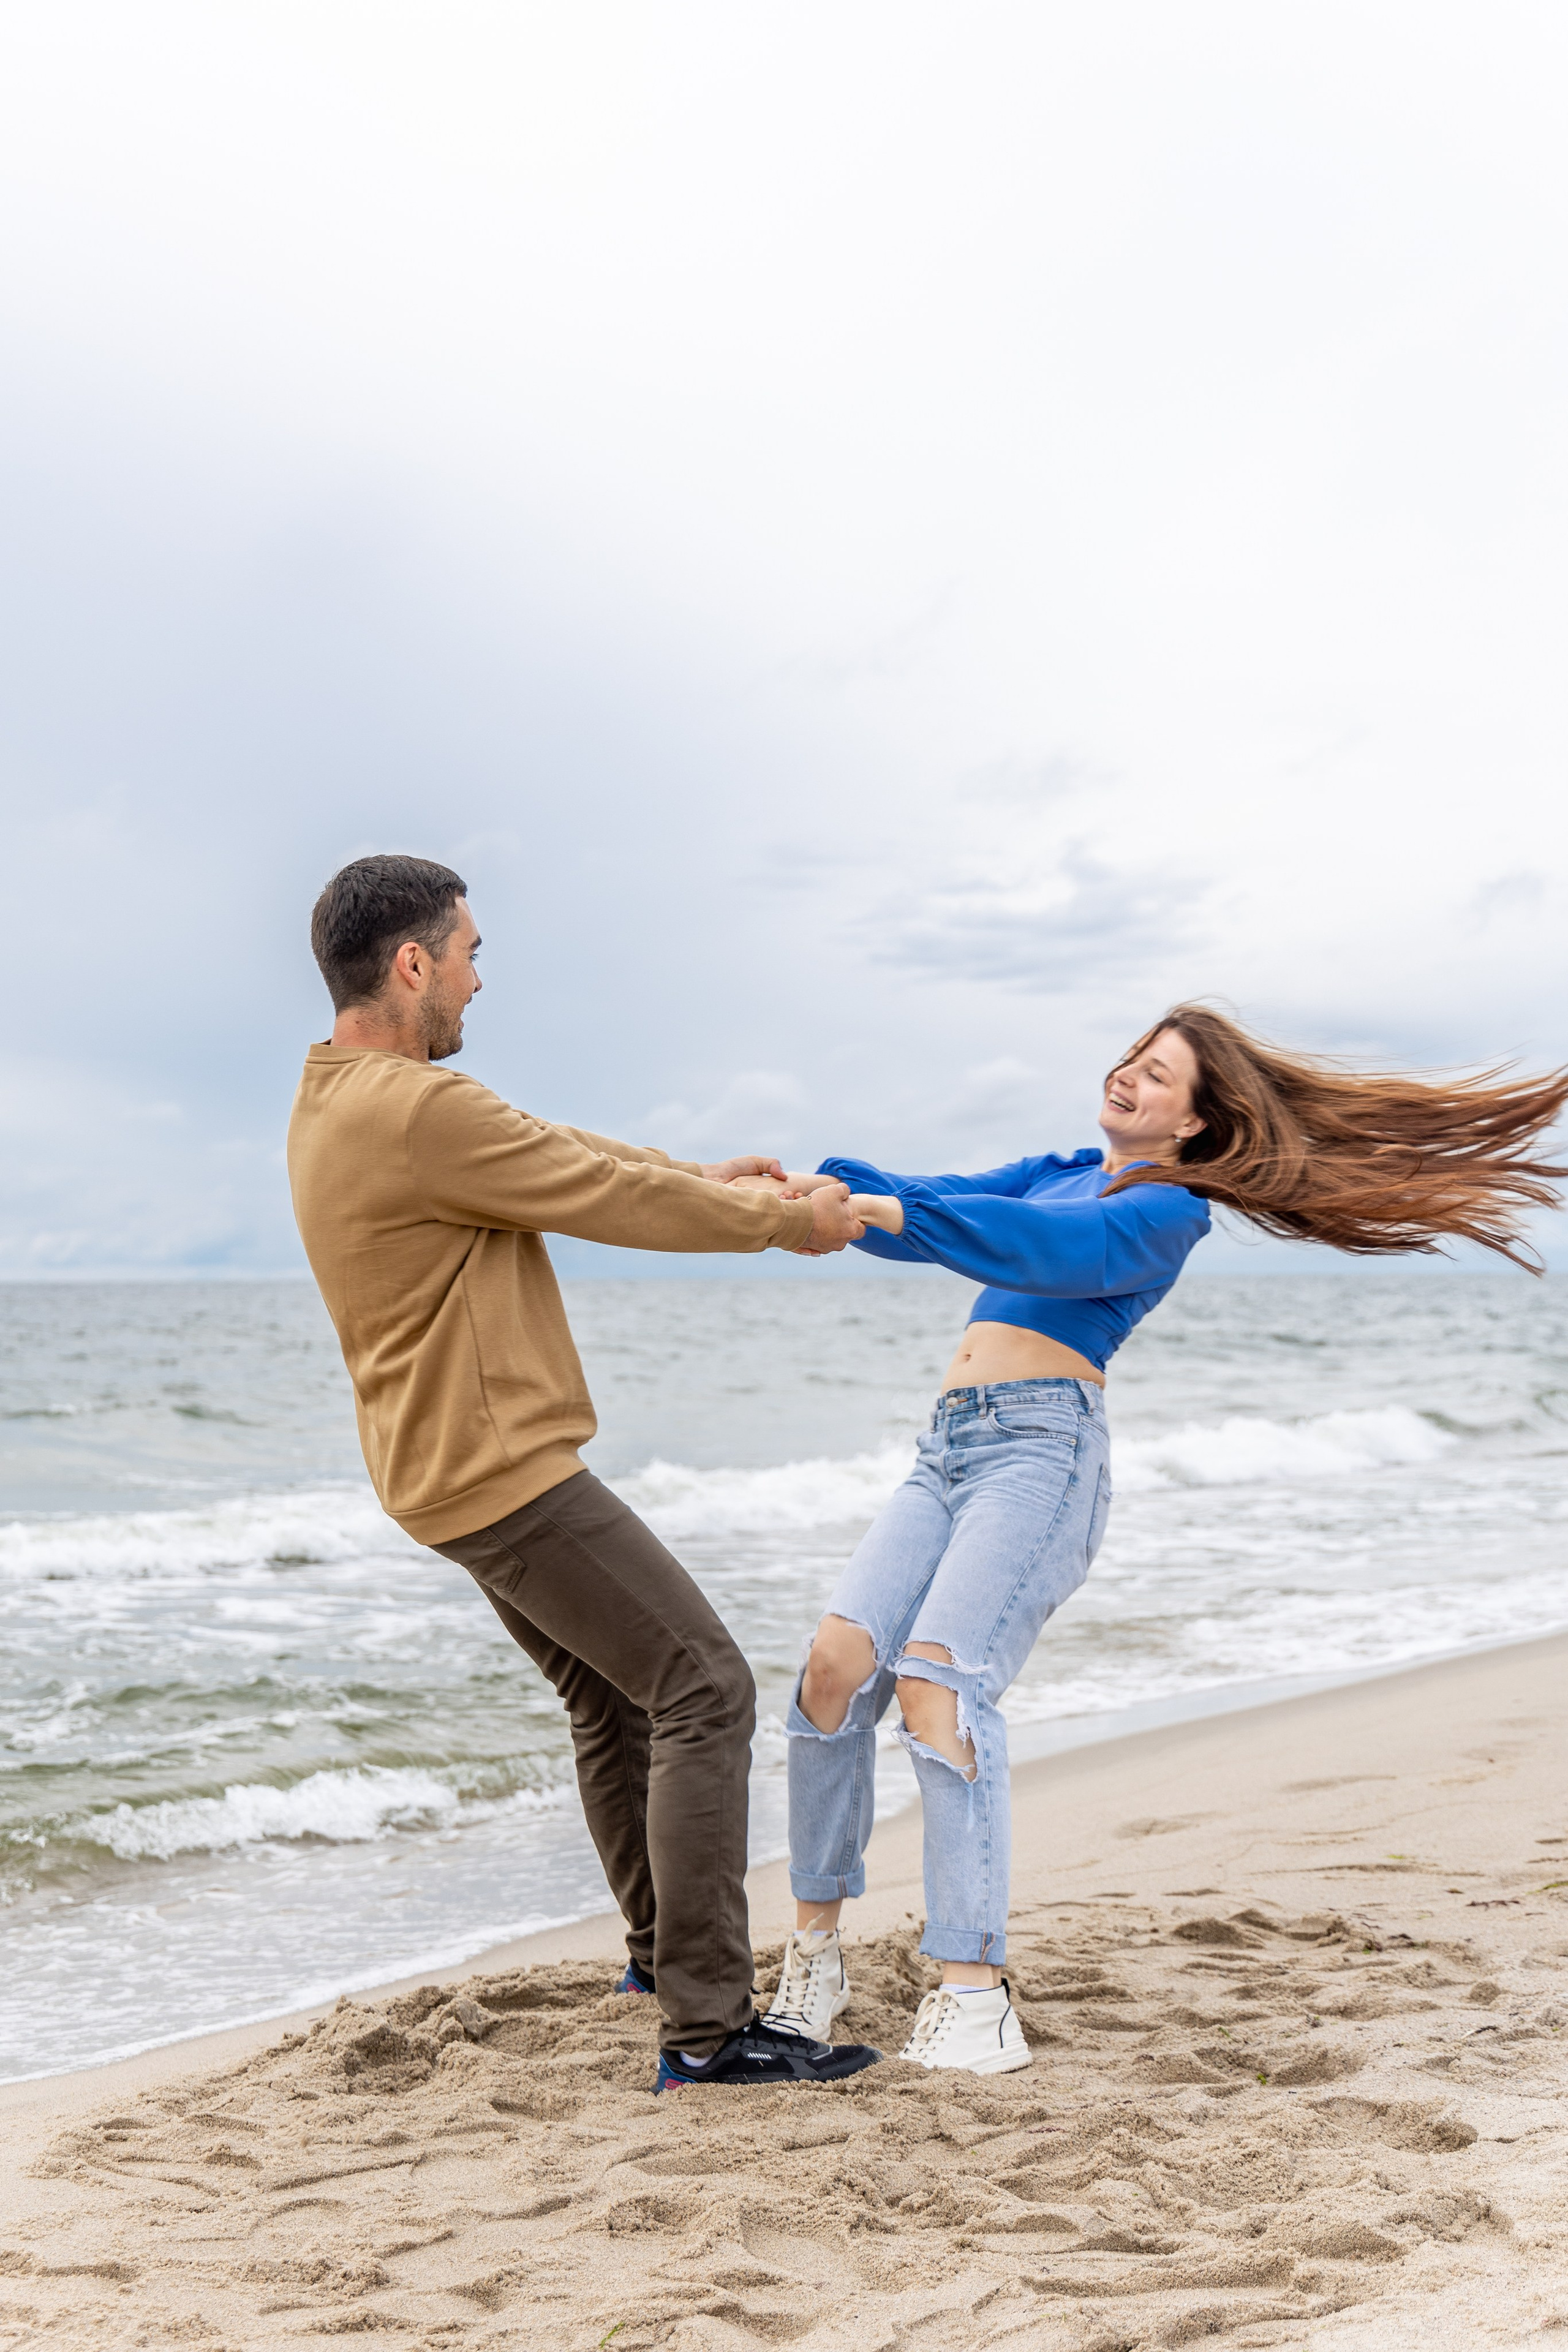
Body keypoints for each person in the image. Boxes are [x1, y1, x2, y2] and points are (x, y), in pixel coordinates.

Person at [744, 1004, 1568, 2075]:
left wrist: (880, 1211)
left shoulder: (1166, 1209)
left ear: (1192, 1124)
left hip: (1042, 1456)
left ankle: (972, 1991)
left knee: (938, 1686)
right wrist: (825, 1183)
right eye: (1132, 1059)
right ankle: (814, 1962)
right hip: (943, 1451)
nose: (1129, 1077)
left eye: (1160, 1075)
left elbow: (1038, 1248)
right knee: (830, 1670)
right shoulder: (1058, 1165)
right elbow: (954, 1199)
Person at [287, 854, 882, 2094]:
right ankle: (708, 2030)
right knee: (703, 1686)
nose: (476, 979)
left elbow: (555, 1151)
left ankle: (660, 1963)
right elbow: (595, 1192)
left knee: (613, 1701)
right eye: (468, 954)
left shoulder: (341, 1095)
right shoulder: (412, 1109)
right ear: (412, 964)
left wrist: (700, 1174)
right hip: (499, 1471)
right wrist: (786, 1222)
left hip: (438, 1471)